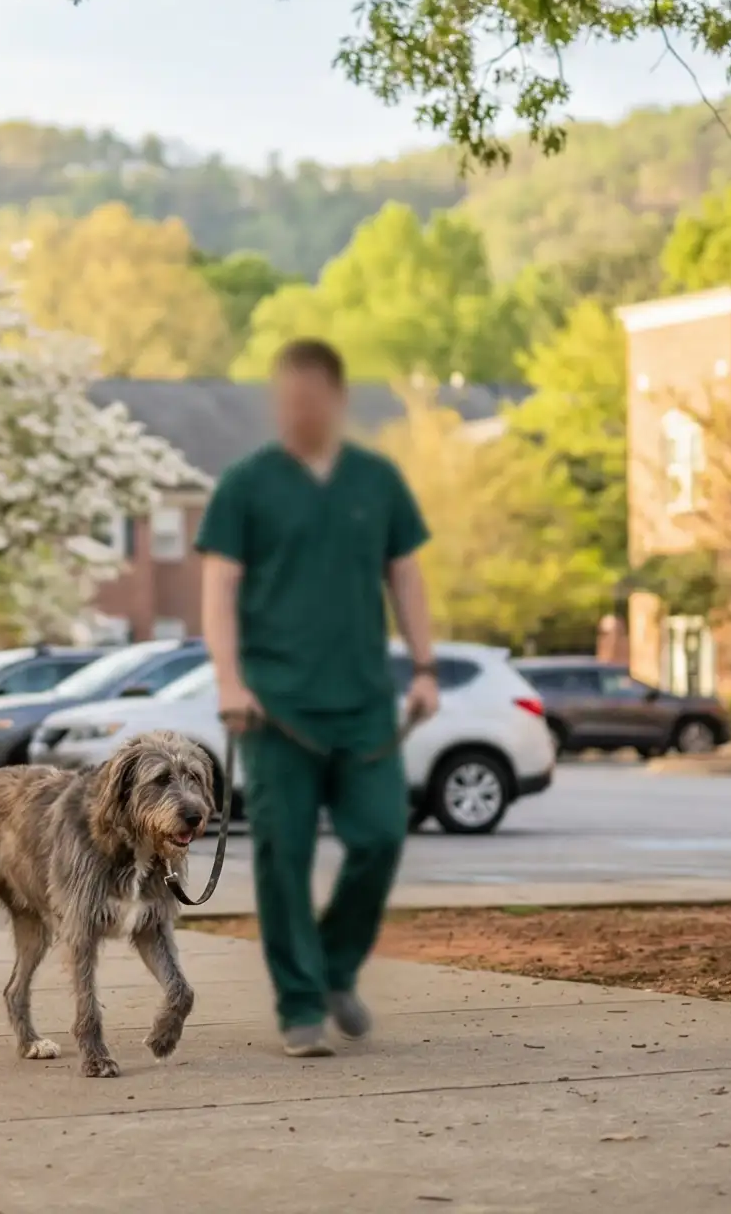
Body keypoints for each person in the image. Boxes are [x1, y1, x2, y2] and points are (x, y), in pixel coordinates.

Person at [196, 337, 438, 1058]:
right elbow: (218, 588)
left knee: (381, 836)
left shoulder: (376, 481)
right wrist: (229, 680)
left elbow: (406, 576)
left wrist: (425, 666)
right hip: (275, 709)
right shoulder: (246, 484)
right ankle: (300, 1003)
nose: (295, 411)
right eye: (285, 399)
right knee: (283, 854)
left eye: (308, 398)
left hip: (364, 703)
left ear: (337, 399)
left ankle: (334, 967)